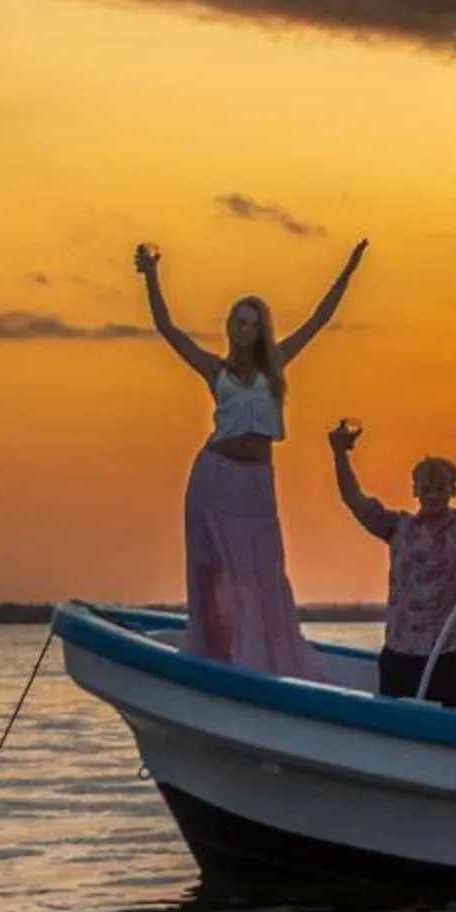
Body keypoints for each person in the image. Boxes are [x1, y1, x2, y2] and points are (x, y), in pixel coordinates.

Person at [136, 238, 365, 681]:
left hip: (255, 482)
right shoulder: (214, 369)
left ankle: (260, 659)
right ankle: (214, 652)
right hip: (213, 477)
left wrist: (349, 272)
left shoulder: (275, 367)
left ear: (262, 331)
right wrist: (152, 276)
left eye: (253, 323)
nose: (245, 329)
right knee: (213, 568)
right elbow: (167, 328)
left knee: (260, 573)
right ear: (230, 327)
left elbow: (320, 319)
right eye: (240, 322)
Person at [330, 390, 456, 710]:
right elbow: (354, 500)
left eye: (440, 488)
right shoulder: (398, 528)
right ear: (415, 491)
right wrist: (339, 454)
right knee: (394, 729)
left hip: (448, 654)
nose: (434, 495)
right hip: (401, 653)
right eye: (426, 489)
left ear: (453, 490)